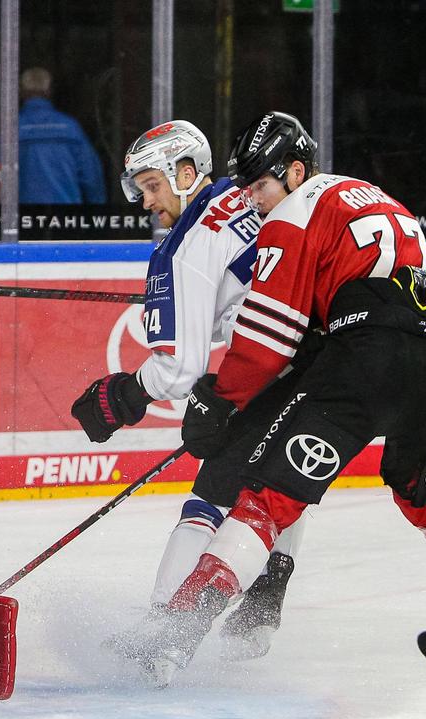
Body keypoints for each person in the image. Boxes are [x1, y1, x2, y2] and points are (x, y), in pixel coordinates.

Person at [139, 111, 426, 685]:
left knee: (267, 499)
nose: (256, 203)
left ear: (294, 171)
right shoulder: (381, 200)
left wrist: (220, 399)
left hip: (367, 363)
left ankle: (176, 633)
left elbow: (266, 340)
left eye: (260, 186)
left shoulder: (292, 213)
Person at [69, 120, 303, 672]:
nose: (148, 203)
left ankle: (164, 630)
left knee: (211, 497)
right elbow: (242, 299)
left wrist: (122, 394)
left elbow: (178, 370)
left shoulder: (184, 250)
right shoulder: (242, 197)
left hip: (283, 369)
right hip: (320, 355)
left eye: (153, 185)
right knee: (283, 478)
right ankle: (264, 598)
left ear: (187, 172)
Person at [18, 67, 104, 206]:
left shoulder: (11, 130)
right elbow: (91, 177)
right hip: (65, 217)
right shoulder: (70, 127)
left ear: (21, 91)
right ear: (49, 91)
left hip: (23, 219)